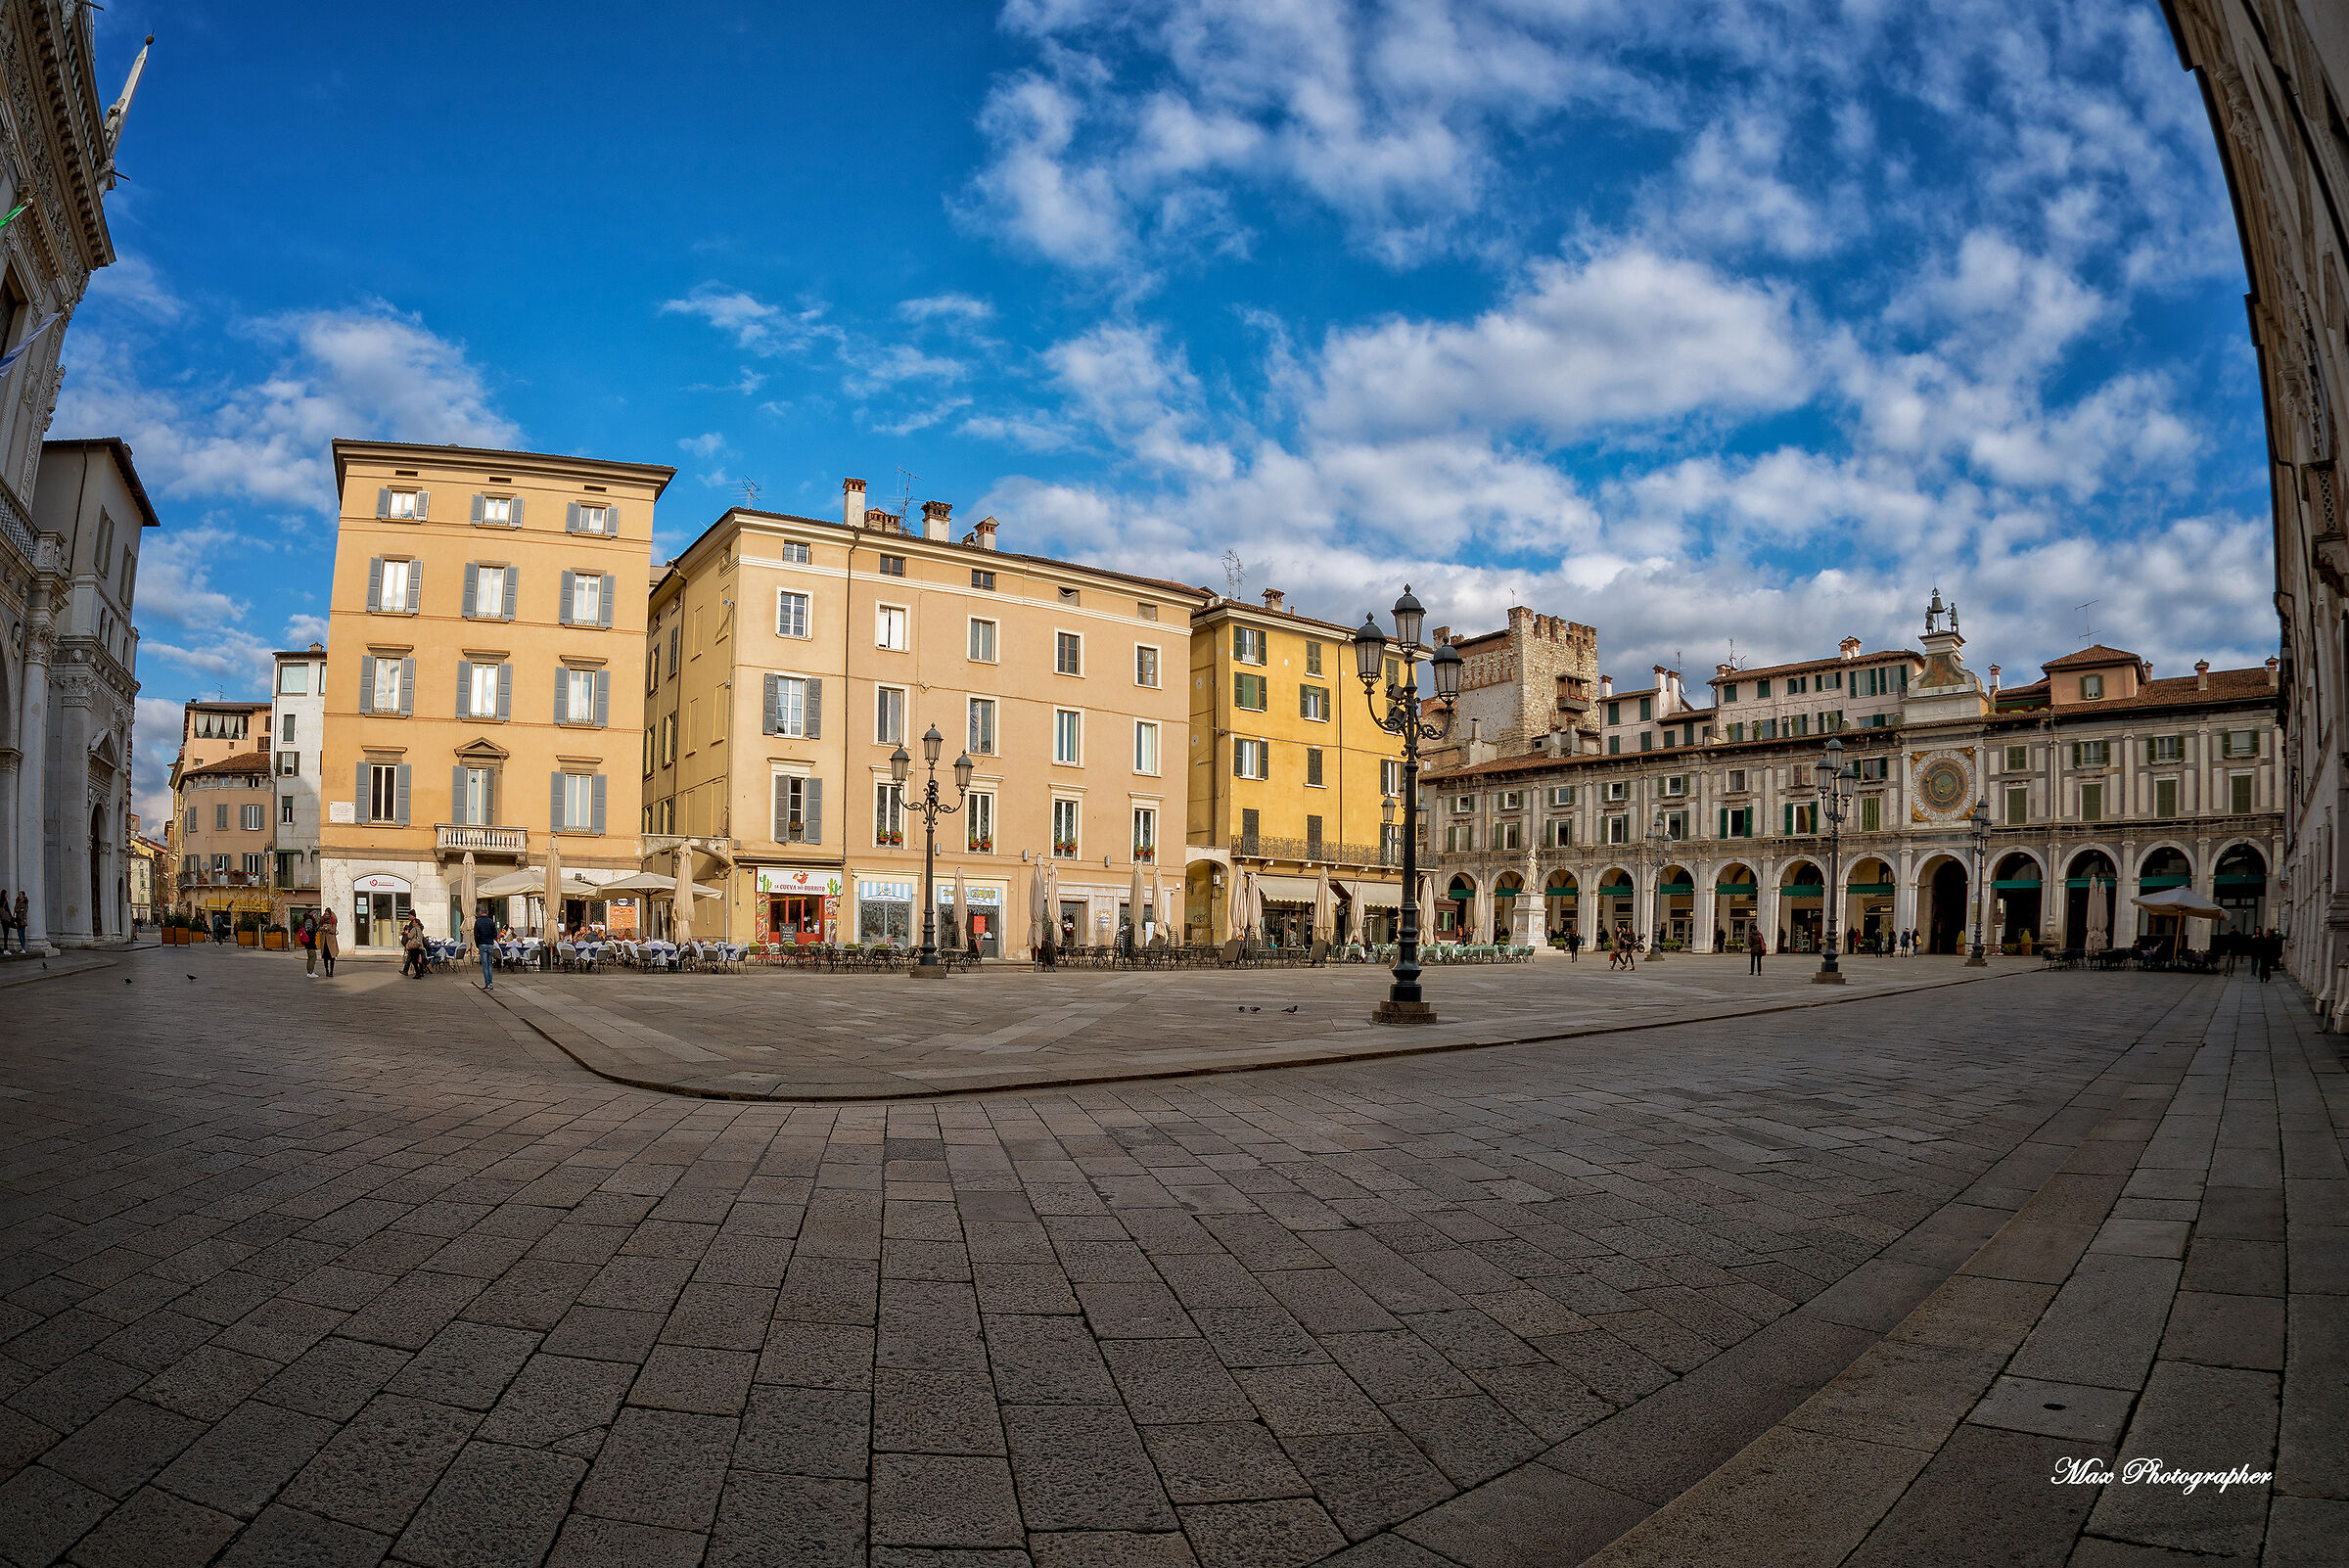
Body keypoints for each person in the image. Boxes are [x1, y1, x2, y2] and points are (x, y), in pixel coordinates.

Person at [474, 902, 500, 990]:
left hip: (482, 944)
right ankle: (491, 983)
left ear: (481, 912)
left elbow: (476, 935)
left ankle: (487, 983)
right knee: (489, 964)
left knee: (485, 965)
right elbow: (495, 934)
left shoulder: (478, 922)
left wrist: (478, 944)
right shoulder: (491, 922)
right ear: (487, 912)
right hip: (490, 944)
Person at [317, 907, 338, 976]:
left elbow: (333, 930)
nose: (326, 915)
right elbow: (318, 928)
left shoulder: (333, 920)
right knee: (325, 957)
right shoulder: (322, 919)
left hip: (331, 941)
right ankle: (327, 971)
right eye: (325, 914)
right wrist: (322, 928)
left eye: (327, 914)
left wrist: (328, 929)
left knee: (332, 957)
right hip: (324, 941)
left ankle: (331, 972)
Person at [300, 913, 318, 977]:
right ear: (312, 914)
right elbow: (309, 931)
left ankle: (309, 972)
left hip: (309, 942)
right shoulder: (309, 921)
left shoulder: (309, 920)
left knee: (311, 957)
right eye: (314, 914)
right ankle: (310, 972)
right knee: (313, 957)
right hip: (310, 942)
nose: (316, 916)